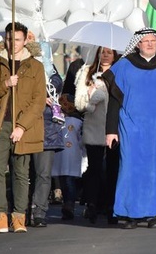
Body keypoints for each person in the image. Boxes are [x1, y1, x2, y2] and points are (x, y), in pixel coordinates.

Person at [103, 28, 156, 229]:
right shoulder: (124, 66)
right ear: (137, 44)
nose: (150, 44)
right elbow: (114, 103)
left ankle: (154, 213)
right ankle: (130, 214)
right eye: (146, 41)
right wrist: (111, 130)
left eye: (153, 40)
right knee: (131, 169)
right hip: (131, 127)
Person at [0, 22, 46, 233]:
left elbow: (39, 102)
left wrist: (21, 127)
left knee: (20, 172)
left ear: (26, 39)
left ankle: (19, 217)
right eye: (9, 39)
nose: (12, 44)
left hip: (23, 127)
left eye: (17, 39)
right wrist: (5, 84)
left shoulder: (35, 66)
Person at [74, 46, 120, 224]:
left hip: (114, 128)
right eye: (103, 51)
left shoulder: (120, 73)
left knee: (112, 168)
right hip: (94, 127)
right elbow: (78, 103)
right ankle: (92, 204)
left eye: (110, 52)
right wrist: (90, 95)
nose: (106, 55)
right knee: (94, 168)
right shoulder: (87, 72)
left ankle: (111, 205)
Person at [28, 69, 64, 227]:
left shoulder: (48, 65)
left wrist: (45, 91)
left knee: (43, 174)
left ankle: (39, 212)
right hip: (25, 127)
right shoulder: (18, 64)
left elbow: (56, 83)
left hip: (47, 129)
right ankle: (22, 210)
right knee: (24, 175)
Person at [51, 94, 84, 223]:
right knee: (69, 180)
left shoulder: (58, 119)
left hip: (60, 153)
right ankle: (69, 204)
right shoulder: (79, 120)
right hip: (73, 154)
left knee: (65, 181)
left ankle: (68, 204)